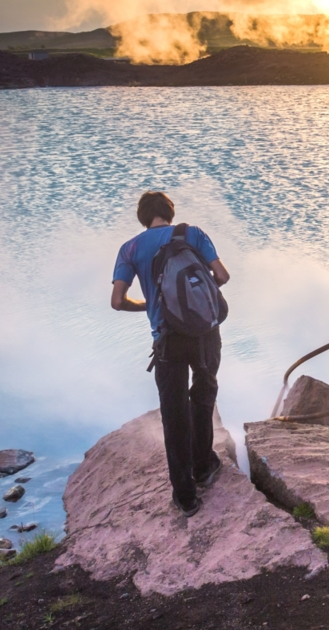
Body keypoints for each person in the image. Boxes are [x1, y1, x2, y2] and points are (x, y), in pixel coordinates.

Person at [111, 191, 230, 517]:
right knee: (203, 396)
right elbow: (222, 276)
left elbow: (118, 301)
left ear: (143, 218)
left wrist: (153, 304)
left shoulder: (131, 248)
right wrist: (195, 297)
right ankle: (204, 468)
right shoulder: (192, 233)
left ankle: (186, 498)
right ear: (170, 213)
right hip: (205, 332)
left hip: (167, 339)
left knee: (174, 413)